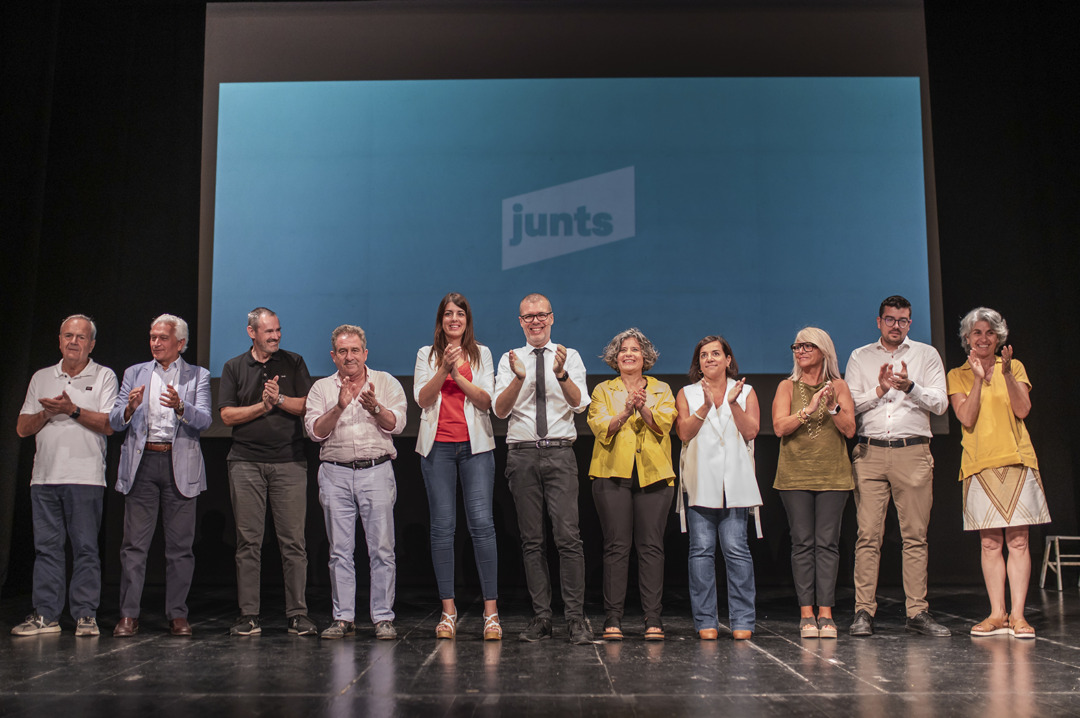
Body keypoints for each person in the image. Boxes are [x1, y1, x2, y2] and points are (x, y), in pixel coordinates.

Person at [845, 296, 951, 637]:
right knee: (867, 536)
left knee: (915, 536)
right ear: (879, 322)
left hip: (913, 452)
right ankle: (863, 611)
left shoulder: (925, 355)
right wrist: (881, 389)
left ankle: (917, 611)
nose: (896, 326)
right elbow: (851, 404)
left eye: (903, 320)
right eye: (890, 320)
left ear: (910, 323)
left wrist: (910, 387)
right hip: (870, 453)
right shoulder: (860, 357)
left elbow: (940, 403)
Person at [493, 293, 592, 644]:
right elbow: (500, 410)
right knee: (532, 540)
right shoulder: (510, 359)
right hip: (521, 454)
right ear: (520, 321)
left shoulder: (570, 356)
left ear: (552, 318)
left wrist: (561, 374)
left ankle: (576, 620)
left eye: (541, 315)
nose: (535, 321)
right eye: (528, 316)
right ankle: (542, 617)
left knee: (568, 539)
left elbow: (580, 404)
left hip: (560, 453)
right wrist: (519, 378)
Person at [12, 315, 118, 637]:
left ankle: (85, 615)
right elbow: (21, 428)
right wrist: (47, 412)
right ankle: (46, 615)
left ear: (92, 344)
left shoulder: (103, 376)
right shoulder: (42, 377)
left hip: (85, 477)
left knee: (85, 547)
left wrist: (72, 410)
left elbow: (110, 425)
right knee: (47, 548)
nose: (74, 341)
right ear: (59, 340)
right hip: (44, 478)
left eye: (81, 337)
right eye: (68, 335)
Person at [947, 307, 1048, 639]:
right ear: (967, 339)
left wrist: (1003, 374)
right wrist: (977, 379)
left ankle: (1018, 616)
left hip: (1017, 460)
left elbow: (1023, 409)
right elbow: (967, 418)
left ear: (999, 338)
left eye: (990, 332)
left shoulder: (1014, 367)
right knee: (990, 543)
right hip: (979, 464)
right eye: (977, 332)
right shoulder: (958, 374)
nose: (984, 338)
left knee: (1018, 541)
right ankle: (996, 613)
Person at [109, 314, 212, 637]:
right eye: (152, 337)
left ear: (180, 343)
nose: (155, 343)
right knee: (133, 546)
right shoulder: (134, 373)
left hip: (178, 465)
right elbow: (114, 420)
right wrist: (128, 408)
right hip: (142, 465)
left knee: (180, 548)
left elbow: (206, 420)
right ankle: (128, 614)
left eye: (162, 338)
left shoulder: (198, 376)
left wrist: (182, 407)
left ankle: (177, 614)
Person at [218, 307, 317, 637]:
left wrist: (280, 398)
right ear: (252, 333)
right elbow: (228, 416)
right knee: (248, 542)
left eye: (278, 330)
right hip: (245, 462)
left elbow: (308, 406)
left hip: (289, 461)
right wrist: (263, 406)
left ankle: (298, 614)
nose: (275, 336)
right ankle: (249, 615)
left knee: (293, 543)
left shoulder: (294, 362)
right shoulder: (234, 367)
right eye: (268, 331)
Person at [304, 324, 407, 640]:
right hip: (335, 474)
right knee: (340, 551)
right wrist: (340, 405)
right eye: (343, 351)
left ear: (365, 353)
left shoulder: (385, 382)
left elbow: (398, 425)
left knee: (382, 549)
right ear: (334, 356)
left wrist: (374, 407)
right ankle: (343, 617)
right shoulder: (322, 388)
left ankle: (382, 618)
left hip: (375, 472)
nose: (349, 357)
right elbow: (315, 432)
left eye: (355, 350)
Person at [414, 293, 500, 640]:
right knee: (442, 528)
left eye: (459, 313)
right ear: (441, 319)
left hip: (475, 448)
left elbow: (486, 400)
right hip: (438, 449)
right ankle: (448, 611)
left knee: (482, 525)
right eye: (448, 314)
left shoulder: (483, 353)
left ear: (467, 319)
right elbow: (423, 398)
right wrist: (442, 369)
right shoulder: (427, 354)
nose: (454, 319)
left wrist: (458, 374)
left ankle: (491, 613)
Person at [587, 328, 676, 641]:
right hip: (612, 475)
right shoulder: (602, 391)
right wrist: (626, 409)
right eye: (623, 349)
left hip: (654, 476)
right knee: (616, 546)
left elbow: (664, 424)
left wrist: (644, 407)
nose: (628, 354)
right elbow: (599, 426)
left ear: (645, 357)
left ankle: (653, 619)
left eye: (635, 349)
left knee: (652, 547)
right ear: (615, 357)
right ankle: (613, 618)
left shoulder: (662, 389)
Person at [675, 335, 760, 641]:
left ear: (728, 359)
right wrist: (705, 408)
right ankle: (705, 620)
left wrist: (731, 404)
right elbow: (683, 432)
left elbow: (751, 431)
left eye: (715, 353)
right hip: (701, 483)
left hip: (735, 482)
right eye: (703, 356)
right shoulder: (686, 393)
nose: (709, 359)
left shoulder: (746, 391)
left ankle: (742, 620)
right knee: (701, 552)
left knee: (737, 550)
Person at [772, 327, 855, 639]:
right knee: (803, 543)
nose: (801, 351)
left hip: (833, 475)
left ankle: (826, 613)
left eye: (808, 346)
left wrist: (832, 406)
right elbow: (780, 427)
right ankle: (806, 613)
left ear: (824, 350)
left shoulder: (839, 386)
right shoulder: (787, 386)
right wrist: (807, 411)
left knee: (827, 544)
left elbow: (849, 430)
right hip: (795, 475)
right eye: (797, 346)